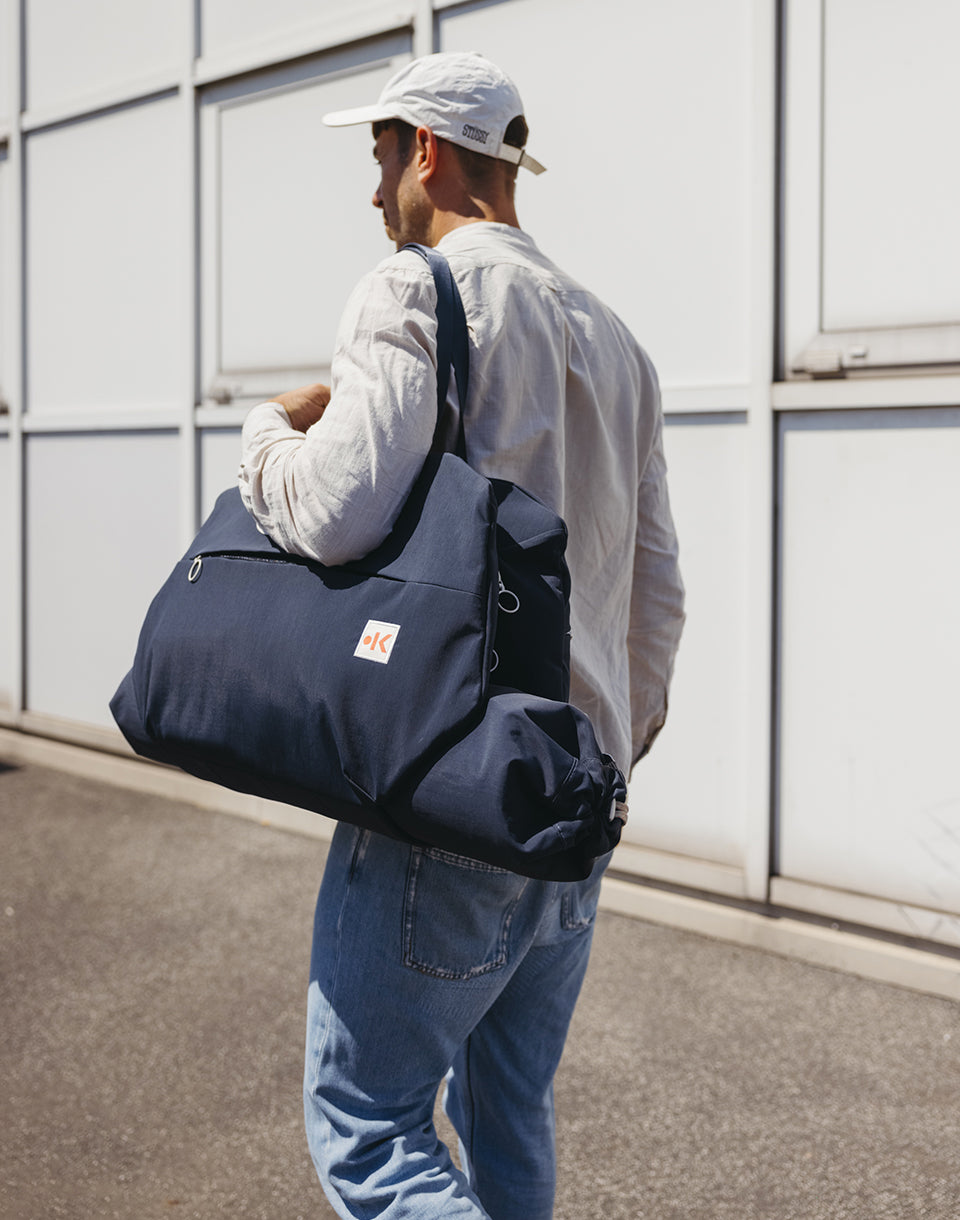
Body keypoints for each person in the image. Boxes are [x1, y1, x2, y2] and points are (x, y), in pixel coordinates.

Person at [238, 50, 684, 1220]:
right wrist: (610, 761)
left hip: (451, 792)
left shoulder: (413, 293)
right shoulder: (620, 343)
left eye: (378, 156)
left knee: (373, 1131)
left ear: (426, 150)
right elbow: (657, 596)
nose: (373, 190)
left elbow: (335, 512)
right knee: (504, 1120)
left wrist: (265, 440)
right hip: (572, 802)